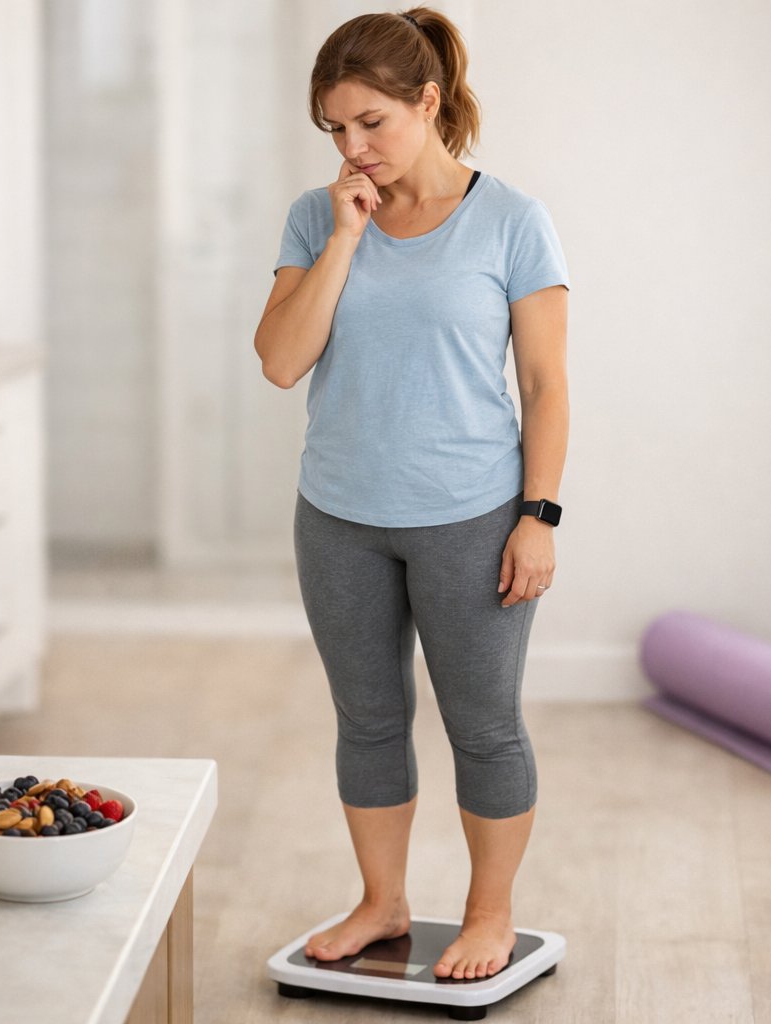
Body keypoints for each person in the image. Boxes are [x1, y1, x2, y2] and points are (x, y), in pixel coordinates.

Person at [253, 6, 570, 982]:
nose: (353, 148)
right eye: (335, 130)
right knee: (369, 718)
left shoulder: (513, 220)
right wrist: (347, 238)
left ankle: (488, 914)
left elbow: (547, 385)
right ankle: (383, 901)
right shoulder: (318, 215)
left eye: (371, 123)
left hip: (472, 519)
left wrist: (537, 517)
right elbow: (280, 361)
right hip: (339, 516)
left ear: (426, 102)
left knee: (484, 724)